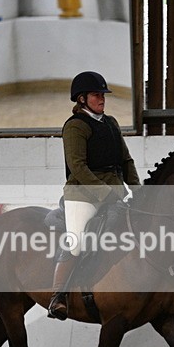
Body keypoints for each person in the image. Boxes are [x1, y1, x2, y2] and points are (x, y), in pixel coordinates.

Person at [47, 71, 141, 320]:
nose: (102, 99)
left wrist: (140, 191)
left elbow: (126, 159)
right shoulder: (75, 127)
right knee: (76, 241)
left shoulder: (110, 123)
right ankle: (58, 296)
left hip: (113, 192)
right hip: (82, 195)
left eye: (102, 94)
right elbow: (78, 167)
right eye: (96, 95)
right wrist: (105, 192)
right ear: (81, 99)